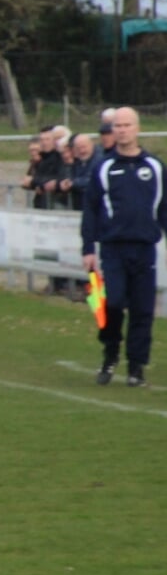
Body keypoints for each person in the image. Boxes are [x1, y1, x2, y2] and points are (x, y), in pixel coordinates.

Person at [80, 107, 165, 388]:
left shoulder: (154, 167)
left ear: (137, 128)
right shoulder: (103, 167)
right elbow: (90, 210)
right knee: (112, 303)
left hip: (144, 250)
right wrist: (88, 248)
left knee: (142, 310)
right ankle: (110, 353)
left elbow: (163, 209)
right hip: (113, 249)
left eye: (127, 125)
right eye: (117, 125)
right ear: (112, 130)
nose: (122, 130)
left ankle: (136, 367)